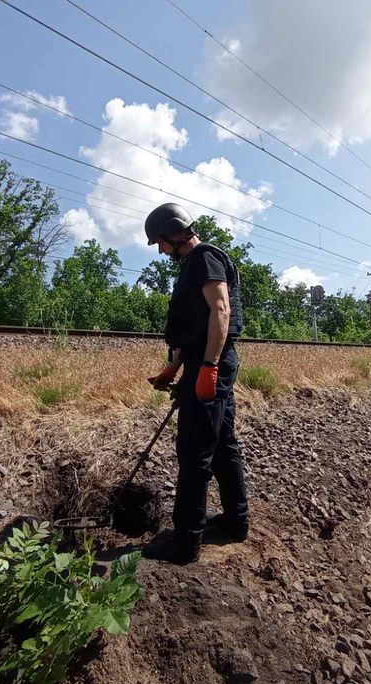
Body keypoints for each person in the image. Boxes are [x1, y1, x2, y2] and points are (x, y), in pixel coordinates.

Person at [141, 203, 249, 564]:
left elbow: (220, 311)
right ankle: (236, 523)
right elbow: (197, 327)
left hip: (211, 363)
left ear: (174, 233)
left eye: (160, 242)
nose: (160, 250)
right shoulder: (195, 263)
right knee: (221, 445)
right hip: (204, 360)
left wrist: (209, 367)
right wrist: (173, 370)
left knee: (194, 451)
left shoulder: (204, 258)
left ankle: (185, 542)